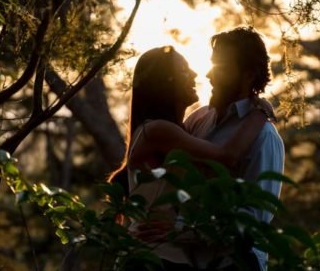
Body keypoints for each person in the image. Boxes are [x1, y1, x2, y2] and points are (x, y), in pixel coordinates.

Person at [107, 44, 275, 270]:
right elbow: (227, 157)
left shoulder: (185, 128)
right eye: (185, 69)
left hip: (171, 260)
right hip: (155, 258)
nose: (197, 73)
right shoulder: (159, 130)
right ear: (165, 81)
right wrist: (262, 112)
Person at [184, 27, 285, 271]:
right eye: (212, 64)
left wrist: (182, 228)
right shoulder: (199, 119)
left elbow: (254, 219)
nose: (209, 74)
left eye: (221, 67)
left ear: (248, 75)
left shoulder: (264, 137)